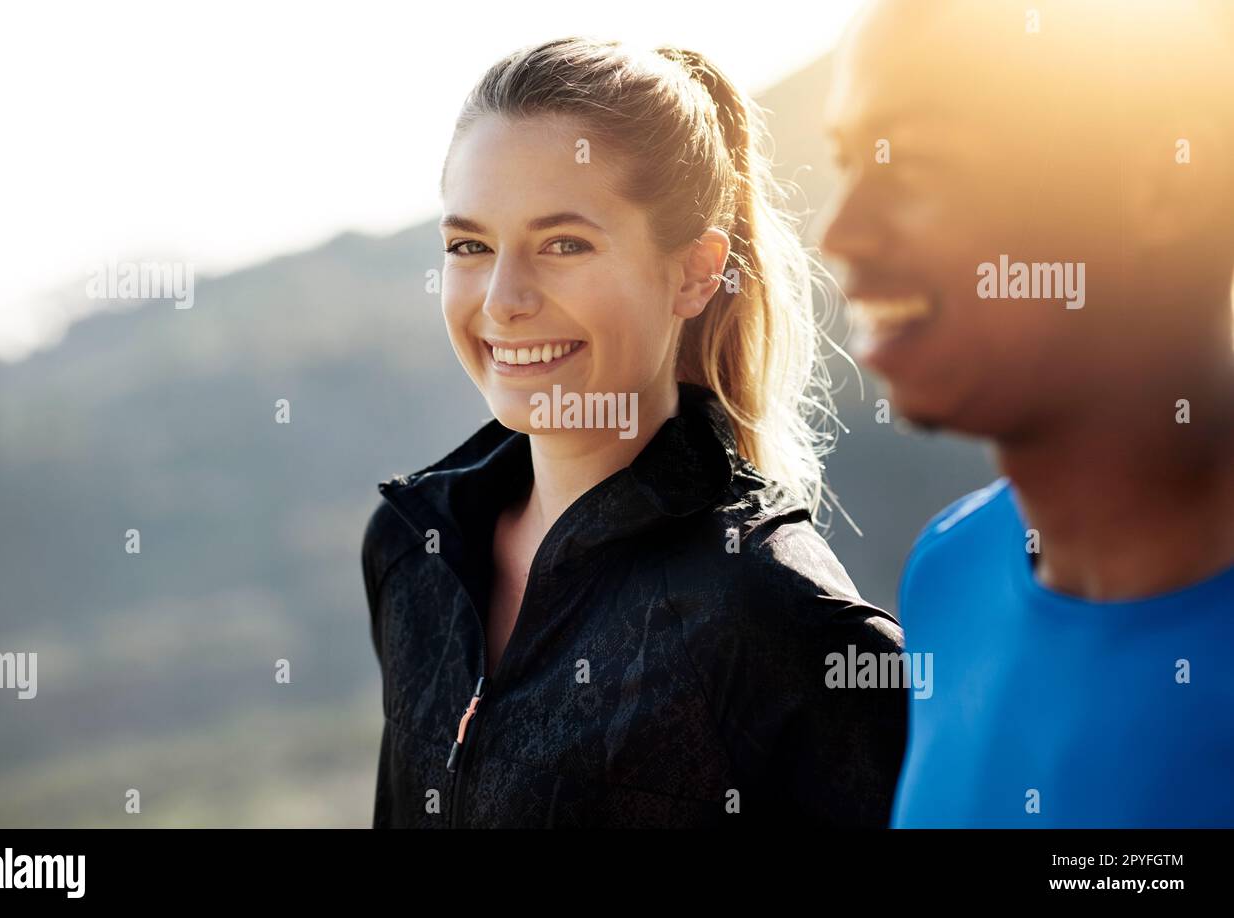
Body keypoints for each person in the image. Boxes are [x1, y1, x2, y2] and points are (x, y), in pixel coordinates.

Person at [362, 37, 906, 828]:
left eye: (564, 244)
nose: (505, 299)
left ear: (694, 272)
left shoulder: (783, 619)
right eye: (470, 246)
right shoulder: (412, 551)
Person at [821, 0, 1234, 827]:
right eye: (848, 164)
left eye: (915, 166)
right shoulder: (947, 572)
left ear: (1169, 183)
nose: (842, 233)